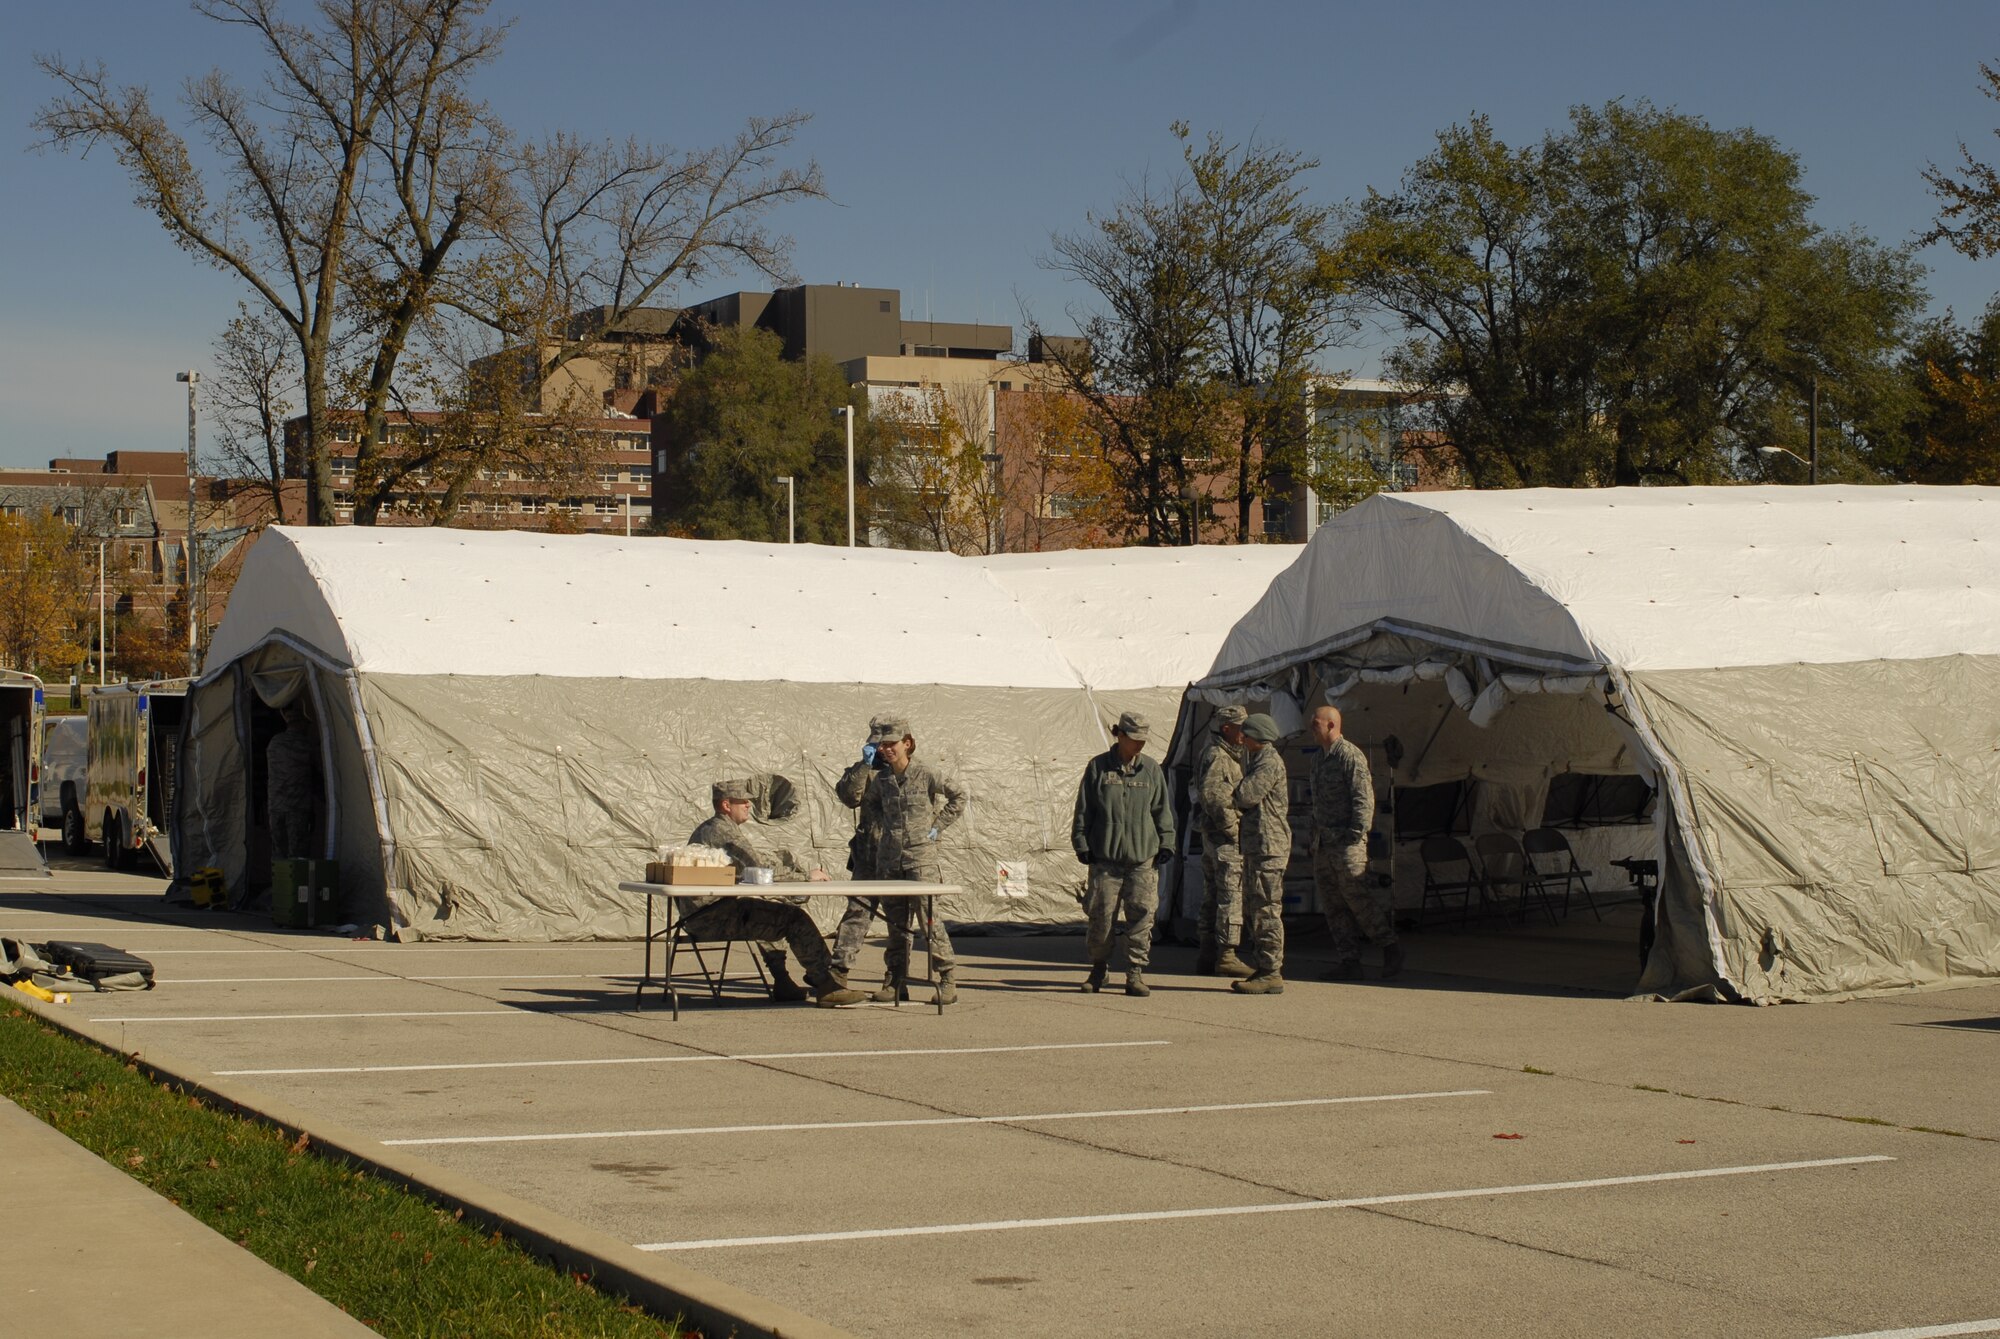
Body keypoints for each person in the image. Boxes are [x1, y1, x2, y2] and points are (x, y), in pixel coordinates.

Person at [685, 779, 865, 1007]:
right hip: (712, 917)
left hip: (702, 914)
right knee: (794, 919)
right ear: (726, 805)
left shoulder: (711, 828)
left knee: (770, 909)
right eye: (743, 802)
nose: (749, 806)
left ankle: (783, 980)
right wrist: (805, 878)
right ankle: (827, 984)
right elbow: (759, 868)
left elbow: (747, 869)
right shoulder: (724, 831)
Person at [1071, 711, 1176, 997]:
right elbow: (1084, 810)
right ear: (1120, 736)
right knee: (1101, 917)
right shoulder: (1098, 768)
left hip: (1142, 859)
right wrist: (1081, 844)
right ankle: (1098, 969)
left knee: (1142, 916)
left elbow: (1162, 812)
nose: (1140, 745)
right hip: (1106, 860)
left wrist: (1167, 843)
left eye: (1143, 740)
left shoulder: (1152, 770)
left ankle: (1135, 973)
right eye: (1134, 739)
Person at [862, 717, 965, 1005]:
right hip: (889, 861)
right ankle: (896, 980)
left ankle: (946, 978)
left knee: (929, 921)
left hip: (920, 859)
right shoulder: (881, 780)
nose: (885, 750)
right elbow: (868, 804)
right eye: (881, 745)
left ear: (907, 743)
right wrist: (883, 829)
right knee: (896, 924)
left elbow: (959, 795)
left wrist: (937, 825)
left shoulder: (926, 773)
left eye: (891, 744)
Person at [1308, 705, 1403, 981]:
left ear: (1331, 725)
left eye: (1316, 723)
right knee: (1333, 904)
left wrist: (1356, 835)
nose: (1312, 728)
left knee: (1357, 899)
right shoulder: (1318, 760)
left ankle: (1390, 946)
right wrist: (1314, 838)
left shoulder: (1349, 756)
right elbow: (1317, 803)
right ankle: (1349, 960)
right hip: (1325, 844)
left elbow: (1364, 798)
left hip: (1346, 844)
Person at [1229, 712, 1291, 995]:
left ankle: (1271, 971)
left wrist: (1236, 788)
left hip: (1269, 846)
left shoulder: (1267, 762)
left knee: (1266, 908)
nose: (1242, 739)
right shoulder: (1257, 760)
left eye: (1247, 734)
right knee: (1256, 907)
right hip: (1259, 845)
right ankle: (1264, 966)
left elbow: (1246, 796)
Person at [1193, 705, 1253, 978]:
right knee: (1229, 894)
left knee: (1214, 894)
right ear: (1226, 728)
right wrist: (1233, 829)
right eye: (1241, 727)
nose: (1245, 733)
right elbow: (1214, 797)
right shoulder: (1218, 756)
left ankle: (1207, 953)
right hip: (1223, 838)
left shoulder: (1227, 755)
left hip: (1216, 836)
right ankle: (1226, 954)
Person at [831, 716, 892, 979]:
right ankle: (838, 970)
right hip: (868, 856)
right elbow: (849, 797)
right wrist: (864, 766)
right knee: (857, 912)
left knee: (899, 921)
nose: (879, 750)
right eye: (874, 745)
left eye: (883, 744)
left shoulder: (910, 773)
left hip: (897, 858)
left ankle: (896, 975)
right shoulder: (863, 771)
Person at [265, 704, 317, 860]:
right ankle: (297, 884)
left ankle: (280, 883)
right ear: (301, 724)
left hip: (275, 807)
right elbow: (316, 771)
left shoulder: (275, 743)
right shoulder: (305, 745)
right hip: (297, 808)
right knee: (298, 856)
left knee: (278, 852)